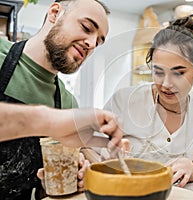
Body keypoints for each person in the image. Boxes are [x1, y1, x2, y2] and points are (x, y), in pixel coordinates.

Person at [0, 0, 111, 199]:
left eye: (98, 42)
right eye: (86, 27)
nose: (92, 44)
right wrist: (46, 120)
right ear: (54, 13)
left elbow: (37, 191)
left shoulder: (67, 105)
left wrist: (53, 186)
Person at [104, 17, 193, 187]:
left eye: (178, 73)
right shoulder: (124, 101)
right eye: (158, 72)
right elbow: (88, 150)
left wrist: (191, 169)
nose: (166, 84)